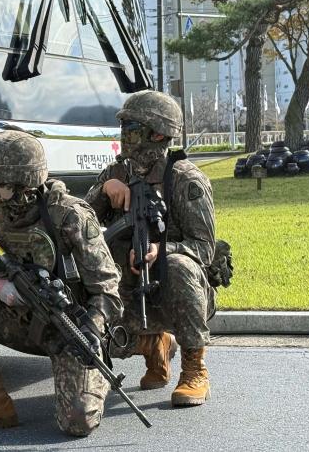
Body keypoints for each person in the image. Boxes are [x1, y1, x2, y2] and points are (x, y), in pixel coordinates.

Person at [0, 130, 123, 436]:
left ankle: (97, 378)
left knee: (77, 422)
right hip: (22, 321)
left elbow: (107, 290)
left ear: (24, 184)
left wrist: (91, 329)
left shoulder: (70, 216)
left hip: (70, 330)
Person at [84, 90, 216, 407]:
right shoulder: (116, 172)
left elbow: (204, 248)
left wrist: (161, 250)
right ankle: (154, 344)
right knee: (103, 337)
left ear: (157, 132)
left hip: (173, 289)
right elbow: (78, 225)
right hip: (126, 286)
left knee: (180, 265)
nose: (125, 133)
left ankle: (194, 369)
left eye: (132, 126)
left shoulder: (184, 179)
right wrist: (103, 190)